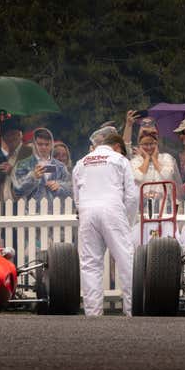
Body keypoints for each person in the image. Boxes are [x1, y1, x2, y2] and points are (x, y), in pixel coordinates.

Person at [73, 133, 138, 316]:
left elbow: (77, 197)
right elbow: (132, 196)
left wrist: (83, 211)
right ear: (117, 147)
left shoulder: (81, 162)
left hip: (87, 211)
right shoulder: (119, 160)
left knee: (90, 264)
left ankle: (93, 314)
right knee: (126, 261)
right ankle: (131, 310)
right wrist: (128, 220)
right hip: (113, 209)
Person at [13, 127, 72, 206]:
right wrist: (32, 177)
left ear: (51, 145)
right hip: (32, 213)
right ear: (34, 145)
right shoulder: (23, 165)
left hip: (56, 213)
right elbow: (17, 190)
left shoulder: (60, 166)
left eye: (47, 144)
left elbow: (71, 188)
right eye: (40, 144)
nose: (43, 147)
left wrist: (59, 186)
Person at [0, 117, 32, 203]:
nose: (10, 138)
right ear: (3, 138)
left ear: (19, 135)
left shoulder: (29, 152)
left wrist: (12, 171)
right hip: (5, 204)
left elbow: (32, 179)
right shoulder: (5, 156)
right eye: (7, 135)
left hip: (22, 204)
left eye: (13, 134)